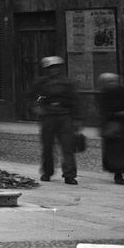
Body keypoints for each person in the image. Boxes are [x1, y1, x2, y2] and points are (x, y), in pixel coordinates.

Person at [29, 55, 79, 184]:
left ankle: (69, 175)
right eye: (51, 68)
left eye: (57, 67)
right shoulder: (41, 83)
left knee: (67, 147)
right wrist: (37, 107)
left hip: (65, 115)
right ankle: (47, 172)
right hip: (48, 116)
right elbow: (33, 97)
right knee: (47, 146)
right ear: (47, 69)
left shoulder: (68, 83)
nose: (54, 70)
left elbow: (75, 100)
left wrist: (78, 119)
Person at [97, 72, 124, 185]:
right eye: (109, 82)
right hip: (113, 126)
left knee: (123, 151)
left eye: (113, 81)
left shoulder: (123, 92)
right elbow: (105, 111)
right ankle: (118, 174)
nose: (112, 84)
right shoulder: (105, 94)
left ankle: (121, 171)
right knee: (115, 152)